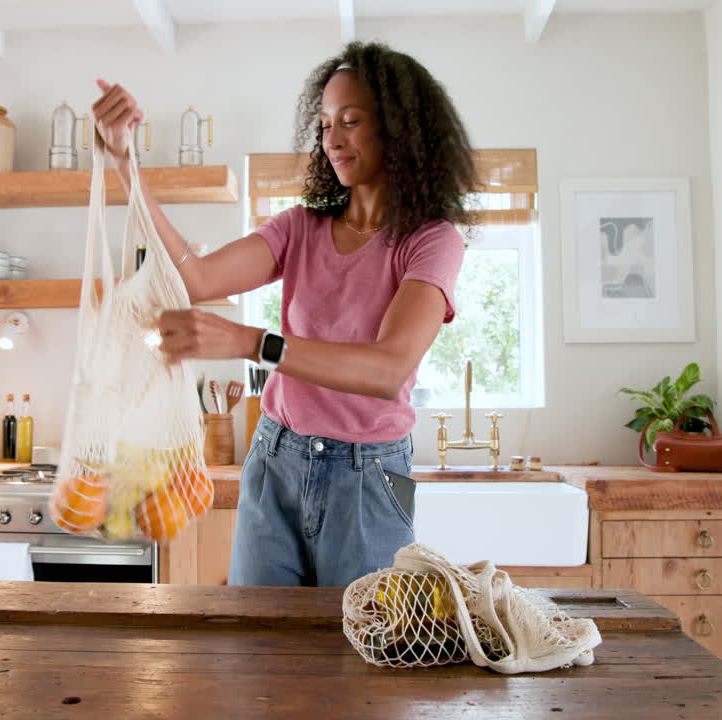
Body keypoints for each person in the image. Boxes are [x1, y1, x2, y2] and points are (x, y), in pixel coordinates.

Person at [91, 41, 476, 587]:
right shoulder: (300, 227)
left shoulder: (431, 240)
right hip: (276, 459)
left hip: (371, 475)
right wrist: (125, 162)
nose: (333, 140)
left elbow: (387, 368)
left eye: (351, 121)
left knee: (361, 653)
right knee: (259, 654)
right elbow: (195, 278)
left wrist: (254, 343)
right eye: (324, 124)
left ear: (398, 128)